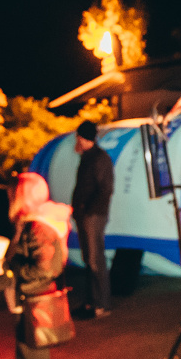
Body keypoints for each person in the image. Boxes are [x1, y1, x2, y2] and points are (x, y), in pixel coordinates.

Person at [1, 172, 70, 359]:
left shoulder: (38, 227)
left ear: (21, 196)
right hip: (33, 302)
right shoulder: (39, 223)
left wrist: (10, 271)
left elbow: (46, 268)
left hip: (33, 304)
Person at [70, 121, 115, 317]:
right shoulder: (87, 157)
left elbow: (105, 189)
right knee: (89, 259)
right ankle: (91, 301)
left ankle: (102, 304)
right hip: (85, 215)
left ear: (84, 137)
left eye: (79, 137)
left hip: (93, 216)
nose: (77, 141)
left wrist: (88, 210)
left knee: (96, 260)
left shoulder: (99, 158)